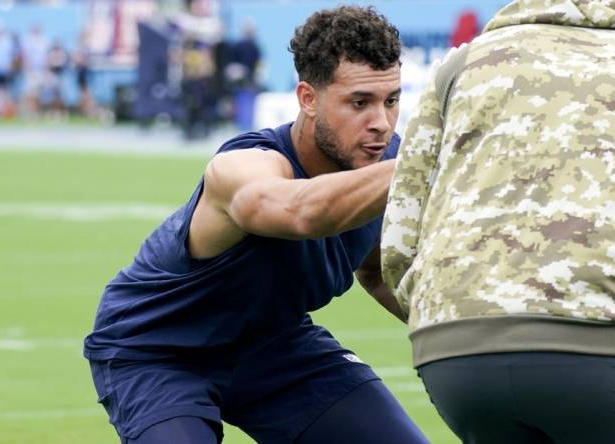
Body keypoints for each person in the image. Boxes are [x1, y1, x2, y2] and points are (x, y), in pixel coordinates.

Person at [84, 6, 428, 444]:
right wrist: (420, 165)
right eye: (359, 102)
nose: (380, 122)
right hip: (160, 350)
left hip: (275, 345)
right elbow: (300, 212)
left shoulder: (386, 162)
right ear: (307, 98)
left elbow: (380, 268)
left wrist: (456, 331)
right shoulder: (244, 167)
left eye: (391, 100)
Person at [381, 0, 615, 443]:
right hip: (607, 346)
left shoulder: (463, 63)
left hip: (454, 356)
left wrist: (460, 318)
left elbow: (399, 238)